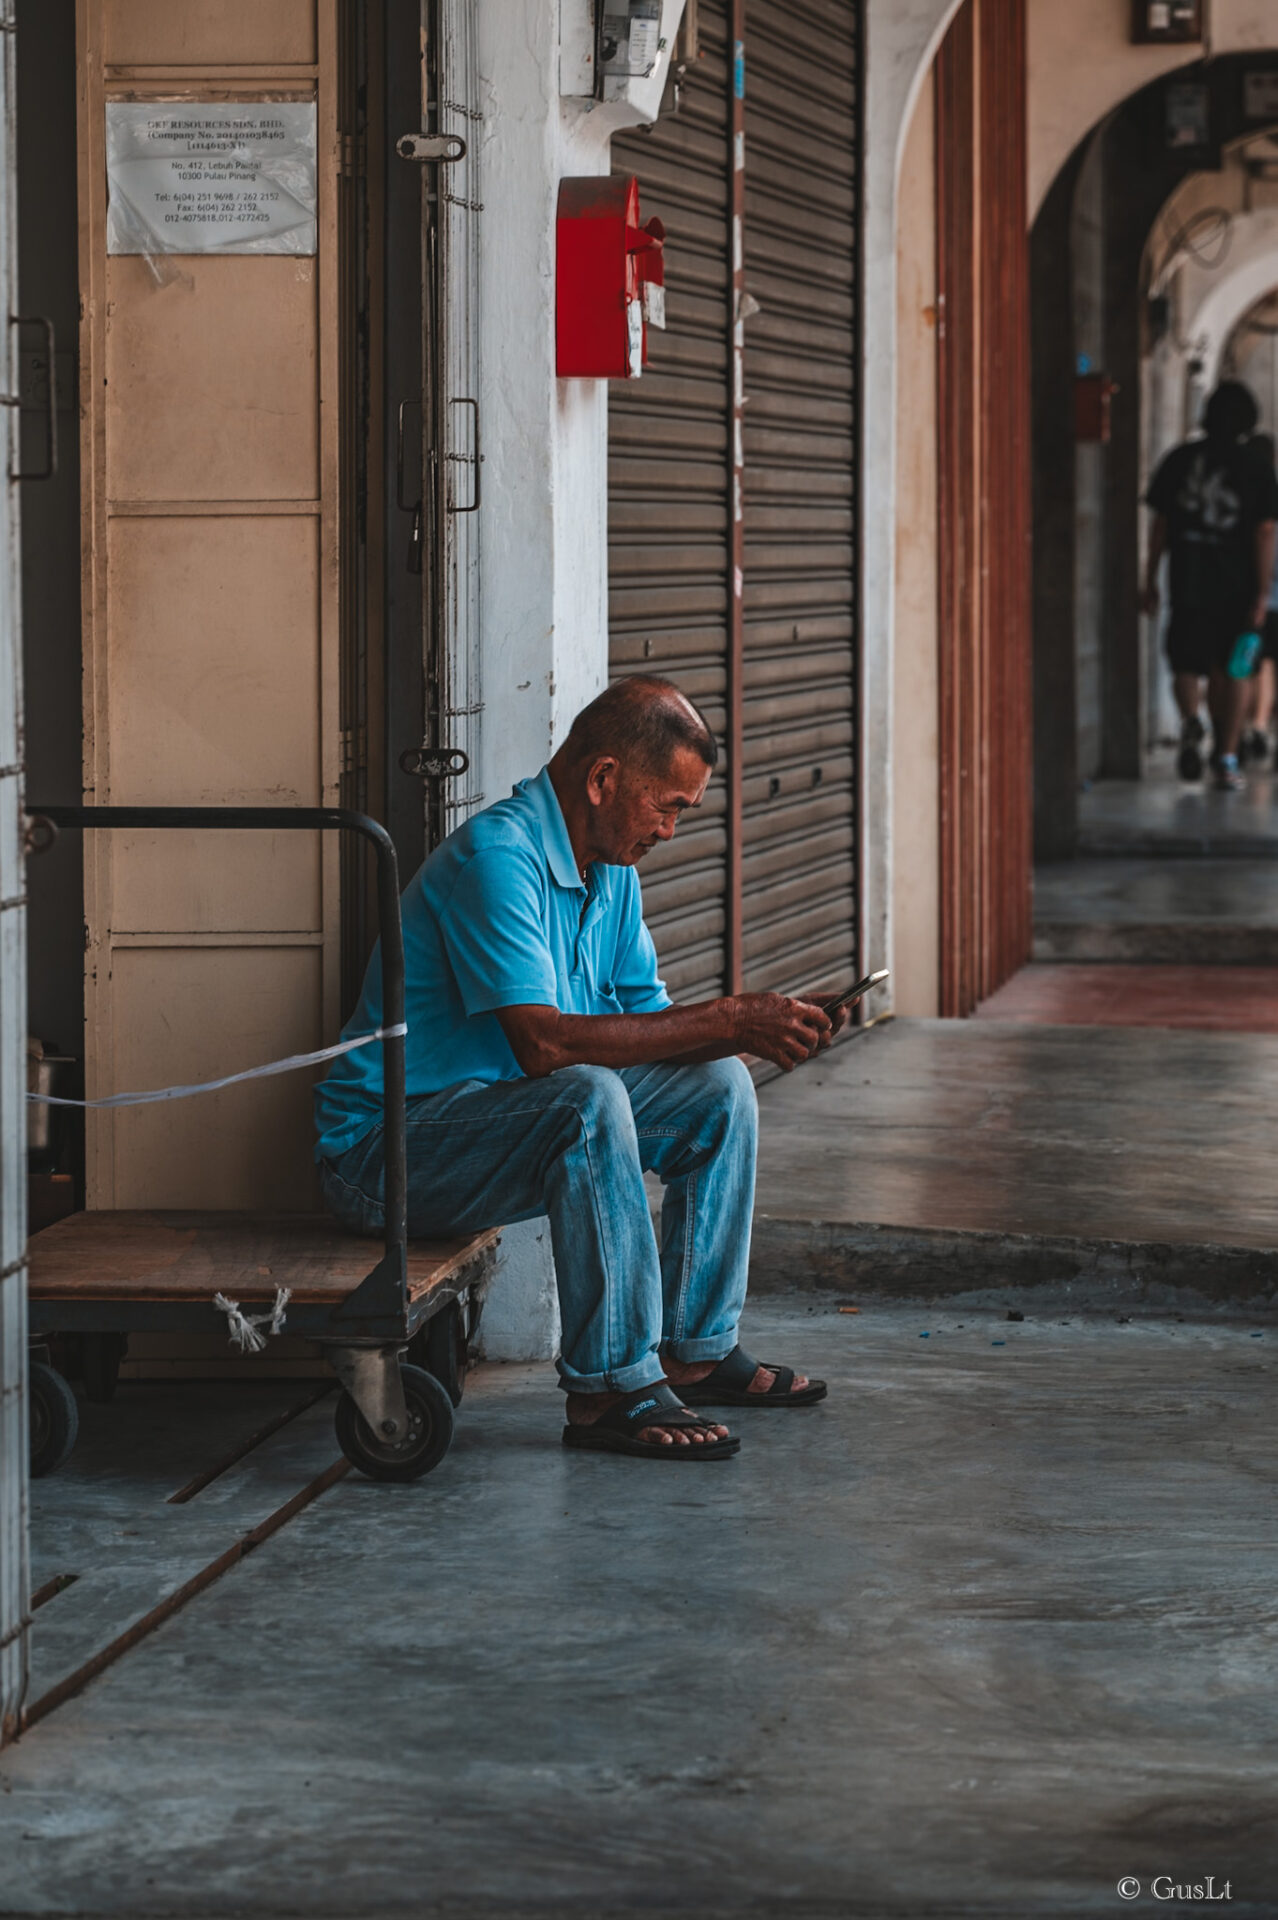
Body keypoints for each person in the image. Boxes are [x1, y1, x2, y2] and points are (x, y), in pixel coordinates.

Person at [314, 677, 850, 1462]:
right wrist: (731, 1017)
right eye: (668, 806)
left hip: (493, 1120)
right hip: (381, 1156)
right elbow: (545, 1049)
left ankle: (694, 1349)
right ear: (602, 780)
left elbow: (655, 1029)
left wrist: (769, 1028)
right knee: (585, 1098)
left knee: (720, 1089)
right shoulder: (500, 861)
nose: (670, 830)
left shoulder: (611, 874)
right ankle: (607, 1388)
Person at [1141, 380, 1278, 791]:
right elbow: (1264, 532)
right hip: (1236, 589)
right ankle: (1226, 759)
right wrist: (1261, 592)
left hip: (1188, 580)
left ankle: (1190, 721)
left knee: (1185, 663)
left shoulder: (1180, 459)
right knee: (1236, 669)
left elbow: (1160, 526)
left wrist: (1149, 578)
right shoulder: (1256, 468)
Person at [1242, 432, 1278, 768]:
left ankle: (1249, 728)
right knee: (1263, 664)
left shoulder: (1247, 493)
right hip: (1264, 597)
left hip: (1253, 598)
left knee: (1249, 664)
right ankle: (1257, 726)